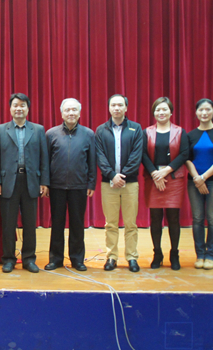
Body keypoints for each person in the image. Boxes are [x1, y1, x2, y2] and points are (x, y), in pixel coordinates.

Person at [0, 93, 50, 274]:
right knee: (9, 224)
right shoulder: (0, 130)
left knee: (30, 224)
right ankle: (9, 259)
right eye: (15, 105)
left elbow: (44, 158)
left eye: (22, 105)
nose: (19, 108)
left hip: (31, 181)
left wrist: (44, 181)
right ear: (10, 108)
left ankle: (29, 259)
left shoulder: (38, 130)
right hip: (8, 182)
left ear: (27, 108)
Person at [45, 98, 96, 272]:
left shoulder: (88, 134)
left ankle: (77, 259)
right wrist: (46, 183)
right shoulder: (51, 134)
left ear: (79, 113)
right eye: (67, 110)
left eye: (74, 110)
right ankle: (55, 259)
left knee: (77, 224)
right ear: (62, 113)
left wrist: (91, 183)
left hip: (79, 186)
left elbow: (92, 160)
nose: (71, 113)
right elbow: (45, 162)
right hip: (56, 186)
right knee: (57, 224)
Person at [95, 94, 144, 272]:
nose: (117, 108)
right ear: (109, 108)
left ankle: (132, 257)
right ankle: (111, 257)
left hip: (130, 183)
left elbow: (136, 156)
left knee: (131, 223)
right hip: (108, 184)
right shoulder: (101, 130)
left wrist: (121, 176)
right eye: (113, 105)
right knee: (111, 223)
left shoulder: (136, 128)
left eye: (120, 105)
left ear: (126, 108)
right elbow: (100, 156)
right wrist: (111, 176)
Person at [141, 97, 189, 271]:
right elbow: (143, 154)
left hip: (173, 179)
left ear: (171, 112)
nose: (161, 112)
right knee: (155, 218)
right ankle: (157, 254)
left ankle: (174, 254)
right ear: (154, 113)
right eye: (158, 110)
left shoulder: (180, 131)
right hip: (153, 178)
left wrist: (166, 171)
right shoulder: (147, 132)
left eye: (164, 109)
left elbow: (184, 154)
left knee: (173, 218)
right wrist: (155, 174)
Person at [185, 98, 213, 270]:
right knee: (197, 219)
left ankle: (210, 255)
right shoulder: (190, 135)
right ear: (196, 112)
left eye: (207, 109)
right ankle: (200, 255)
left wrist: (203, 177)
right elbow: (187, 159)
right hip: (194, 182)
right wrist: (197, 178)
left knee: (212, 219)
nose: (204, 113)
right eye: (201, 110)